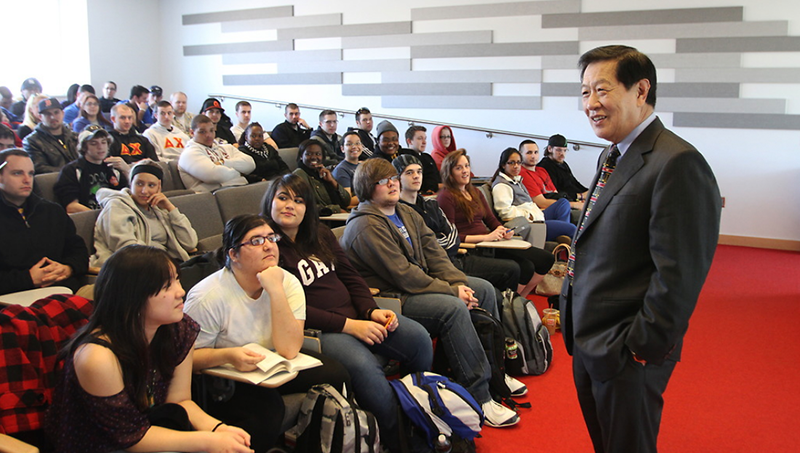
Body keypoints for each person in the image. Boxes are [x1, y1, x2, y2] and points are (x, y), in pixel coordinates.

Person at [564, 45, 722, 453]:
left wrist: (640, 347)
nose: (591, 104)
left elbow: (680, 274)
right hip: (588, 337)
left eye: (602, 90)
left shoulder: (677, 162)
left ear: (640, 90)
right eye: (584, 93)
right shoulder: (612, 154)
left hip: (625, 349)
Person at [340, 158, 521, 428]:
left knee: (482, 289)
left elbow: (435, 255)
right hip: (390, 297)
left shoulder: (405, 212)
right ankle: (479, 395)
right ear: (367, 187)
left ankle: (495, 371)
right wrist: (452, 292)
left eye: (393, 177)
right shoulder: (365, 225)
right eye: (382, 181)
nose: (392, 183)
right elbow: (404, 274)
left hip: (416, 286)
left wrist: (460, 284)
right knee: (453, 308)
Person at [263, 174, 433, 452]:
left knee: (418, 339)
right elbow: (293, 308)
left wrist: (371, 311)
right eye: (283, 197)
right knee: (367, 370)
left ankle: (414, 411)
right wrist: (350, 325)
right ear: (270, 201)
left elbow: (350, 276)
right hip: (320, 330)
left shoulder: (319, 233)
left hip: (356, 316)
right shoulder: (267, 246)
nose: (289, 205)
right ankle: (397, 442)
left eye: (298, 200)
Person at [45, 245, 254, 453]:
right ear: (132, 296)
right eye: (166, 286)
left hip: (147, 430)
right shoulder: (97, 356)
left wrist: (218, 429)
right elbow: (129, 437)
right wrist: (207, 441)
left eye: (177, 280)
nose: (180, 291)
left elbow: (179, 400)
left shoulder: (179, 328)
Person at [184, 215, 350, 443]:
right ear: (233, 255)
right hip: (226, 375)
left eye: (271, 238)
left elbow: (290, 349)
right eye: (256, 241)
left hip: (271, 362)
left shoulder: (287, 282)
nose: (268, 245)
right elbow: (186, 360)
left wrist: (275, 291)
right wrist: (229, 356)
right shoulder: (207, 297)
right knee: (267, 412)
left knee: (337, 374)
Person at [394, 154, 520, 294]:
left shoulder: (430, 204)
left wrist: (440, 241)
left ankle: (511, 307)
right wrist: (442, 241)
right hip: (439, 265)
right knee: (498, 283)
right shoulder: (400, 211)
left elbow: (453, 236)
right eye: (409, 173)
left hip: (454, 258)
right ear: (398, 178)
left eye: (419, 171)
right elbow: (425, 245)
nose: (416, 176)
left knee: (510, 273)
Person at [437, 150, 556, 298]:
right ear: (449, 172)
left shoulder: (475, 192)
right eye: (459, 168)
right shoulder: (446, 197)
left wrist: (503, 230)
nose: (465, 171)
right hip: (473, 248)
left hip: (491, 243)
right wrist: (485, 238)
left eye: (467, 166)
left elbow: (491, 220)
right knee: (521, 267)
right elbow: (451, 237)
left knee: (543, 259)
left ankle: (518, 301)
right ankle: (509, 305)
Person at [0, 149, 88, 295]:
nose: (27, 180)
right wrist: (28, 278)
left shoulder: (52, 211)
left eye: (30, 173)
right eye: (17, 173)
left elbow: (78, 251)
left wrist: (68, 268)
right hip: (13, 298)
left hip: (63, 290)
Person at [91, 160, 197, 268]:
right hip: (134, 269)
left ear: (159, 187)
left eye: (151, 185)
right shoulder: (116, 206)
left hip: (166, 266)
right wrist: (166, 265)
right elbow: (127, 250)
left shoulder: (159, 209)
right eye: (139, 184)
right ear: (131, 183)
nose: (144, 191)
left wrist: (171, 208)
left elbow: (190, 243)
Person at [490, 147, 576, 242]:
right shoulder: (502, 185)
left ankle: (561, 236)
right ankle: (562, 236)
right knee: (571, 228)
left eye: (519, 163)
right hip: (531, 224)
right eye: (511, 163)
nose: (516, 166)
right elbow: (505, 213)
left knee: (563, 203)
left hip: (537, 216)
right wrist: (529, 215)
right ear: (503, 165)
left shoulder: (516, 180)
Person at [54, 126, 129, 213]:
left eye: (104, 142)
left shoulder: (113, 167)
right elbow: (71, 206)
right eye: (94, 143)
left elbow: (128, 197)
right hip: (88, 217)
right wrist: (101, 216)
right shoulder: (72, 170)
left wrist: (127, 171)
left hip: (116, 214)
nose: (100, 147)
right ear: (84, 147)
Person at [179, 115, 255, 192]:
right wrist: (240, 174)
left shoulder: (227, 147)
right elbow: (213, 176)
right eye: (202, 132)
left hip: (238, 190)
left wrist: (223, 163)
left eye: (211, 130)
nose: (208, 135)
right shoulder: (189, 153)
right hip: (210, 198)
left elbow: (251, 164)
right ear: (192, 133)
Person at [519, 139, 584, 211]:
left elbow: (555, 193)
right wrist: (574, 205)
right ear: (520, 154)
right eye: (529, 153)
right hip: (549, 210)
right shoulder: (523, 173)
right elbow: (541, 202)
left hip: (560, 205)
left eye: (536, 152)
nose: (533, 156)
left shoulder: (541, 170)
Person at [22, 97, 79, 174]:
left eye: (56, 112)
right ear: (40, 117)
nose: (53, 117)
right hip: (54, 182)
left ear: (62, 113)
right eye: (48, 114)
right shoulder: (31, 141)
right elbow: (39, 168)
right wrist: (72, 171)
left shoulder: (75, 136)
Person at [292, 139, 349, 214]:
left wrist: (332, 181)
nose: (313, 157)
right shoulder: (299, 175)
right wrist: (336, 210)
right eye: (308, 154)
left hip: (338, 216)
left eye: (318, 154)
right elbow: (306, 205)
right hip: (324, 220)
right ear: (301, 157)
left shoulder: (322, 172)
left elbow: (347, 201)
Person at [537, 134, 589, 203]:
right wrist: (580, 196)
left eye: (565, 150)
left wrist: (589, 192)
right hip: (566, 201)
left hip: (575, 198)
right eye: (559, 150)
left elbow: (574, 183)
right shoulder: (544, 167)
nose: (562, 154)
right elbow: (555, 193)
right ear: (550, 149)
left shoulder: (562, 164)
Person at [399, 125, 440, 194]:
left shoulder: (427, 157)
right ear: (409, 141)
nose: (424, 142)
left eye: (425, 139)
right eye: (420, 138)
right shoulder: (405, 158)